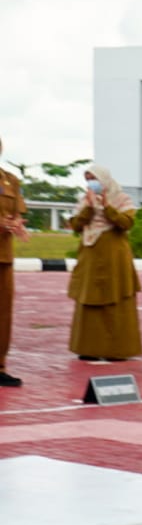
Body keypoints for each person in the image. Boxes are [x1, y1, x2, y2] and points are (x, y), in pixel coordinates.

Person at [67, 164, 142, 362]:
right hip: (90, 255)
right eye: (88, 178)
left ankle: (117, 349)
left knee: (117, 299)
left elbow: (126, 223)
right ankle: (88, 347)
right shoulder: (84, 201)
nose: (91, 183)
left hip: (115, 257)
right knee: (89, 299)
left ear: (104, 179)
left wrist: (107, 207)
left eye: (95, 178)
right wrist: (90, 209)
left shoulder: (121, 199)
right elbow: (75, 225)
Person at [0, 157, 26, 386]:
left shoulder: (10, 180)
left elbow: (17, 210)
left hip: (3, 255)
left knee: (3, 313)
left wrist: (17, 223)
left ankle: (0, 365)